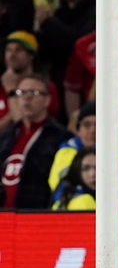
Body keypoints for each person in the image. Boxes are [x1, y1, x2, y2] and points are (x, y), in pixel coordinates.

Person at [0, 74, 72, 209]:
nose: (26, 98)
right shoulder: (6, 136)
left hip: (38, 214)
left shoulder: (62, 137)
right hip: (4, 215)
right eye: (21, 93)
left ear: (47, 100)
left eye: (34, 93)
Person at [51, 146, 95, 210]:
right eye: (86, 169)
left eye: (98, 168)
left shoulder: (64, 198)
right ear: (77, 172)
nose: (92, 174)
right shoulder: (84, 201)